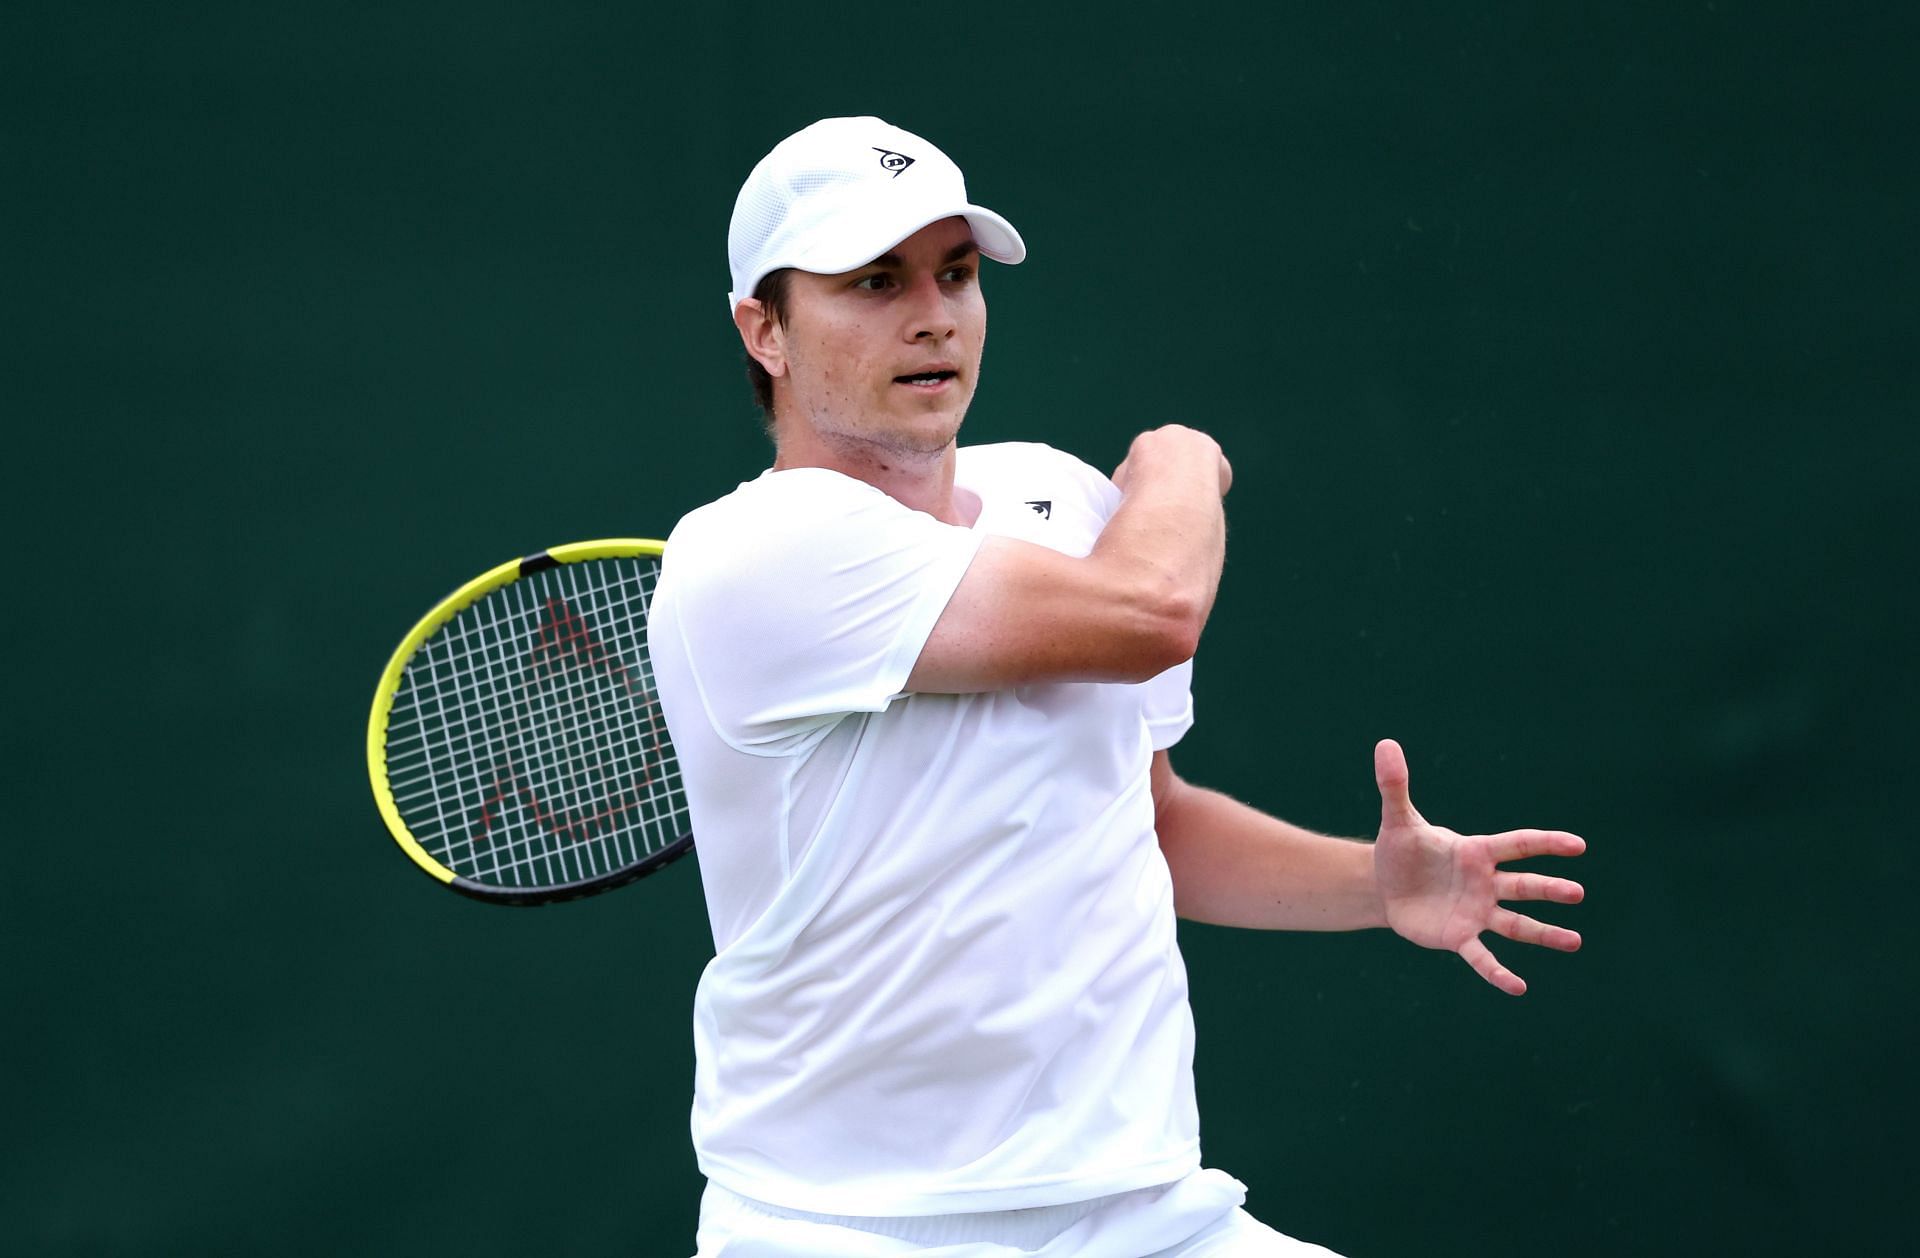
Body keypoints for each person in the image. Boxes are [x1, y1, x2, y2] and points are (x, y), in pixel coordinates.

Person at [647, 116, 1585, 1258]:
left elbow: (1153, 820)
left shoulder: (1062, 499)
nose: (933, 313)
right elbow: (1152, 612)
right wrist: (1184, 463)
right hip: (850, 1230)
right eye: (874, 281)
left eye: (954, 273)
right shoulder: (755, 550)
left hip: (1145, 1214)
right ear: (767, 330)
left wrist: (1374, 886)